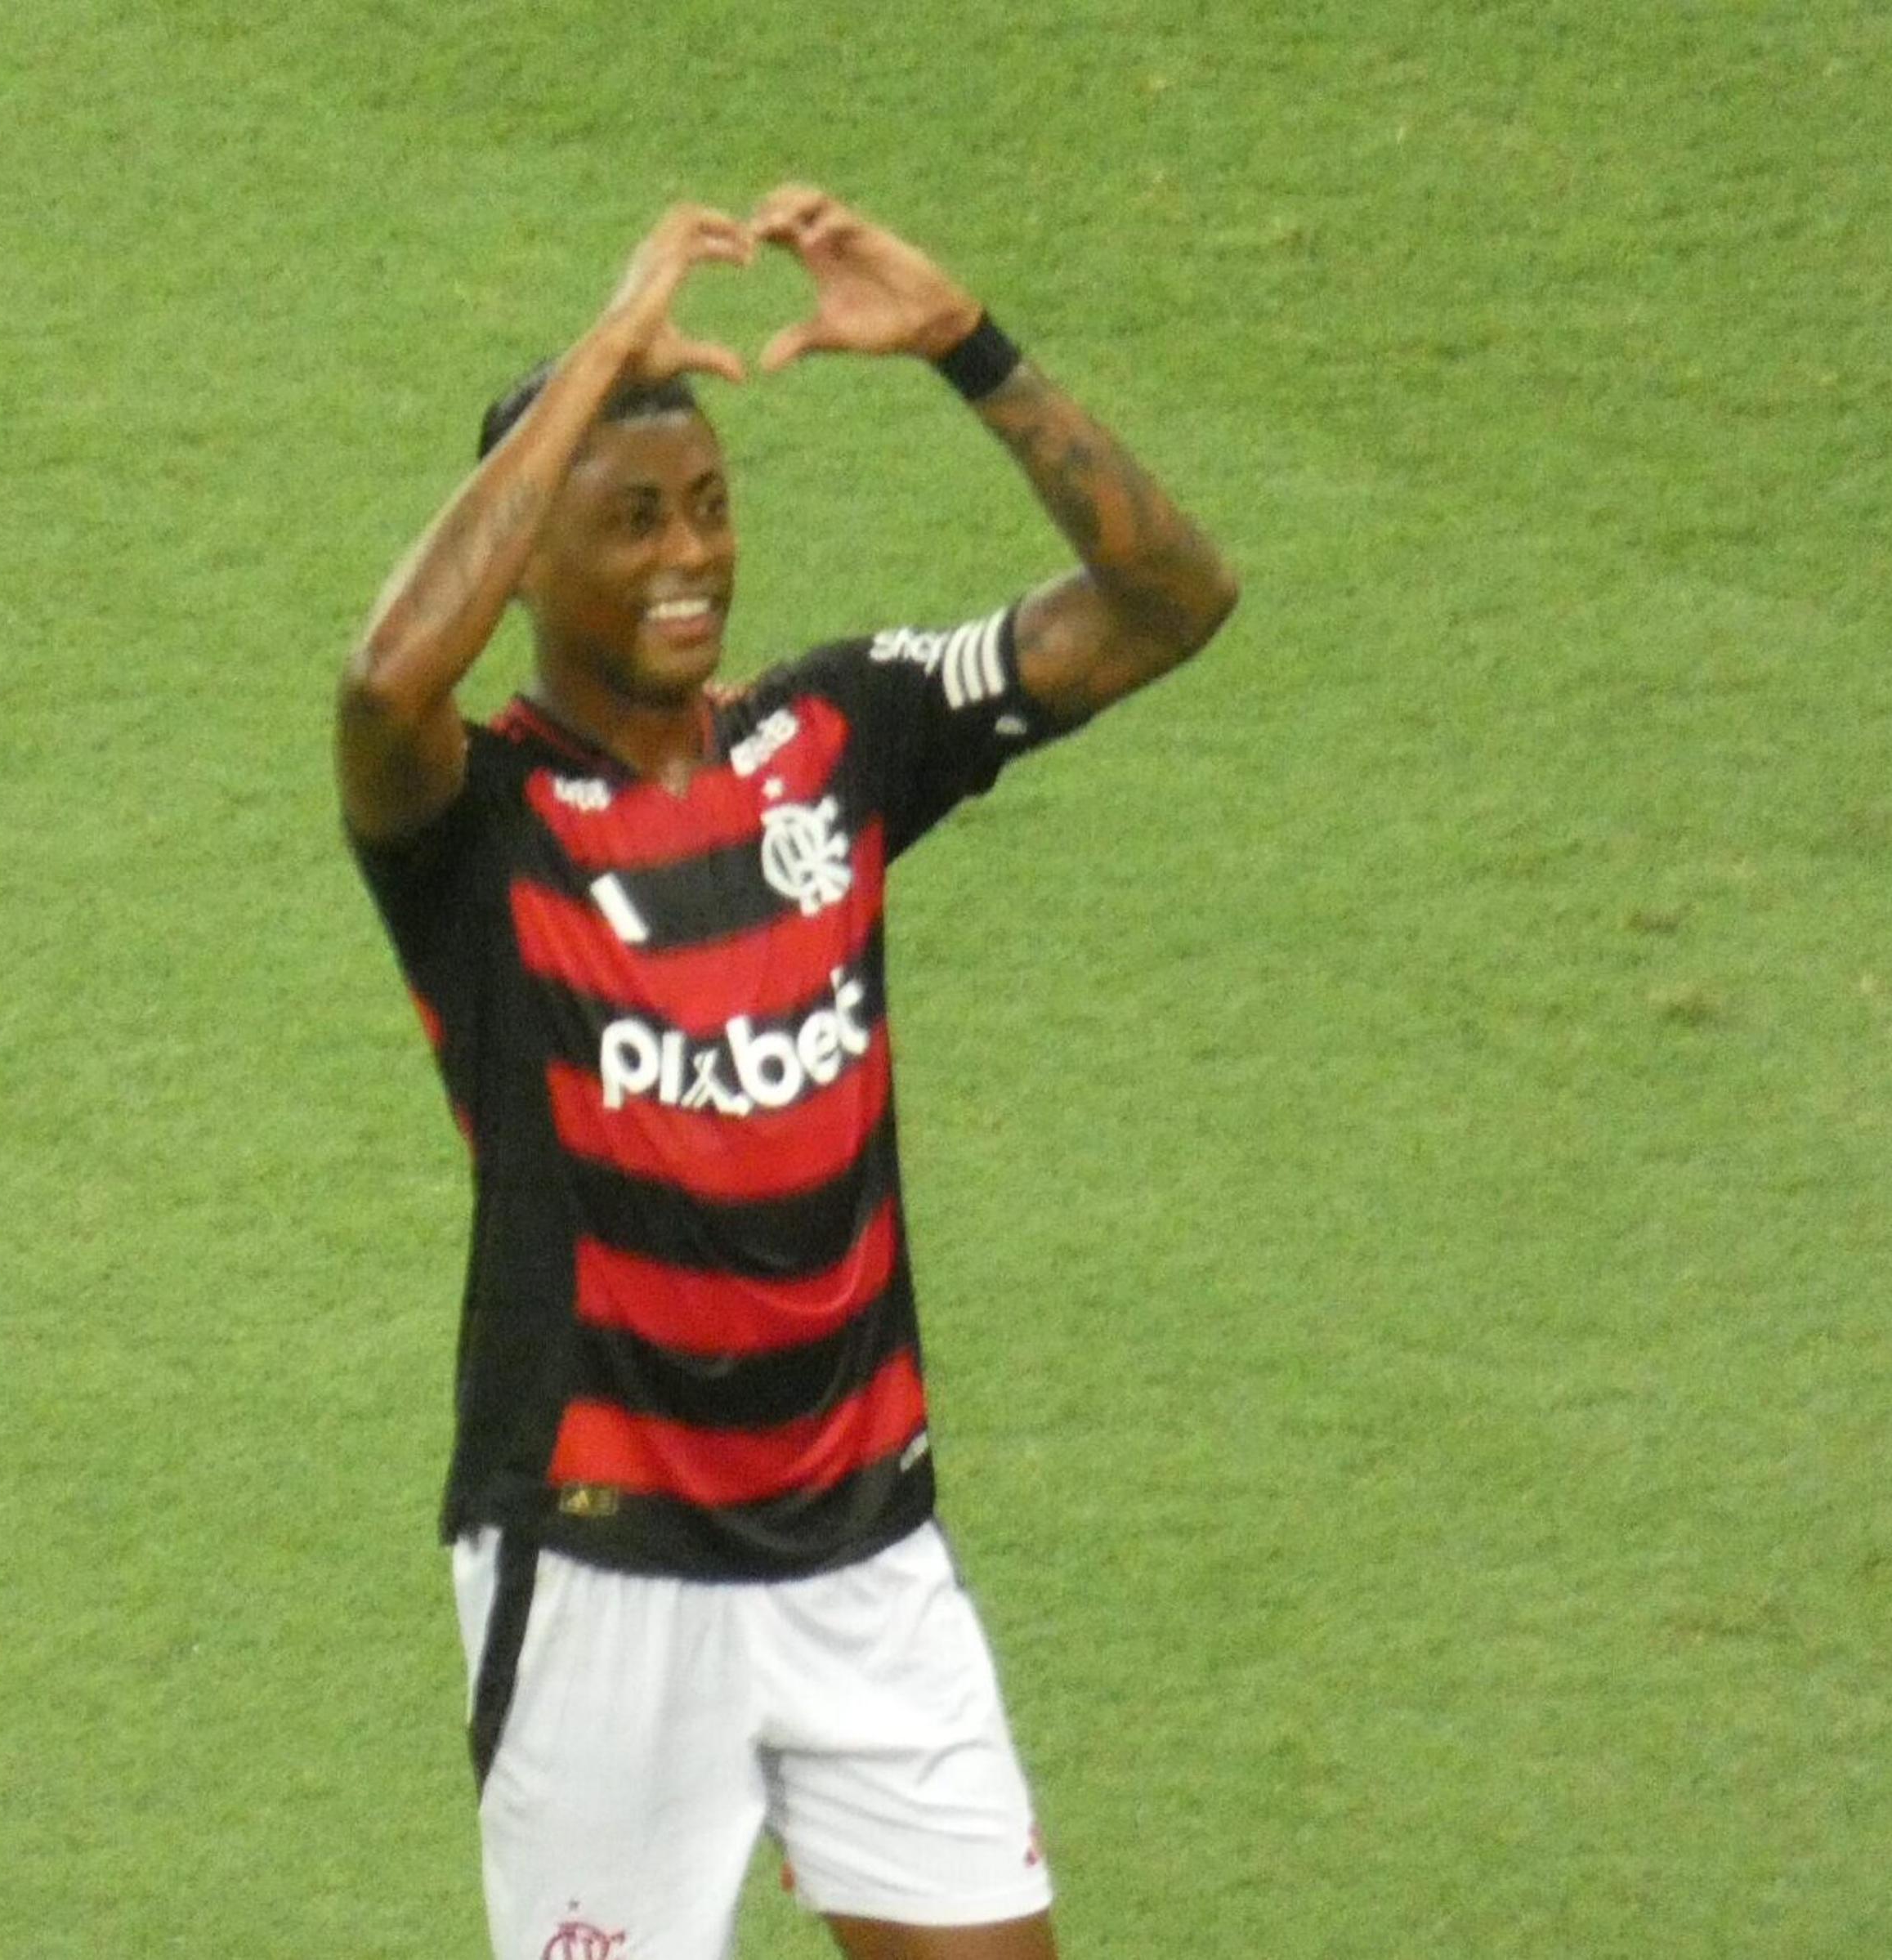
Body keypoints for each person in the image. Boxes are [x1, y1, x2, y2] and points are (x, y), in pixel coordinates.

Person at [335, 185, 1237, 1960]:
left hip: (865, 1553)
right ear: (527, 554)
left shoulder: (838, 739)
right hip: (605, 1575)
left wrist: (967, 344)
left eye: (709, 509)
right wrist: (605, 347)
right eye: (627, 519)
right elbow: (382, 683)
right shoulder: (480, 829)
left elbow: (1170, 595)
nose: (688, 555)